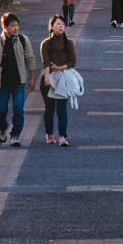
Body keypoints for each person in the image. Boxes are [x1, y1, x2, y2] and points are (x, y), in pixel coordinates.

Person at [0, 13, 36, 147]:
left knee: (18, 109)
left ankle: (15, 135)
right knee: (1, 110)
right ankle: (2, 127)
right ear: (5, 27)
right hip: (2, 82)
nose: (15, 28)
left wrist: (32, 78)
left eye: (17, 25)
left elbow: (30, 58)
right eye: (12, 26)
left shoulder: (23, 40)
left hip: (18, 82)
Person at [39, 14, 77, 146]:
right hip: (49, 77)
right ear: (51, 26)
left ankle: (62, 136)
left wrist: (59, 68)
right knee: (49, 108)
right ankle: (49, 134)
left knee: (61, 108)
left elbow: (72, 61)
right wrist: (47, 78)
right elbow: (45, 62)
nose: (61, 26)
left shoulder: (69, 42)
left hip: (63, 78)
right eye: (58, 24)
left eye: (62, 24)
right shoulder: (45, 43)